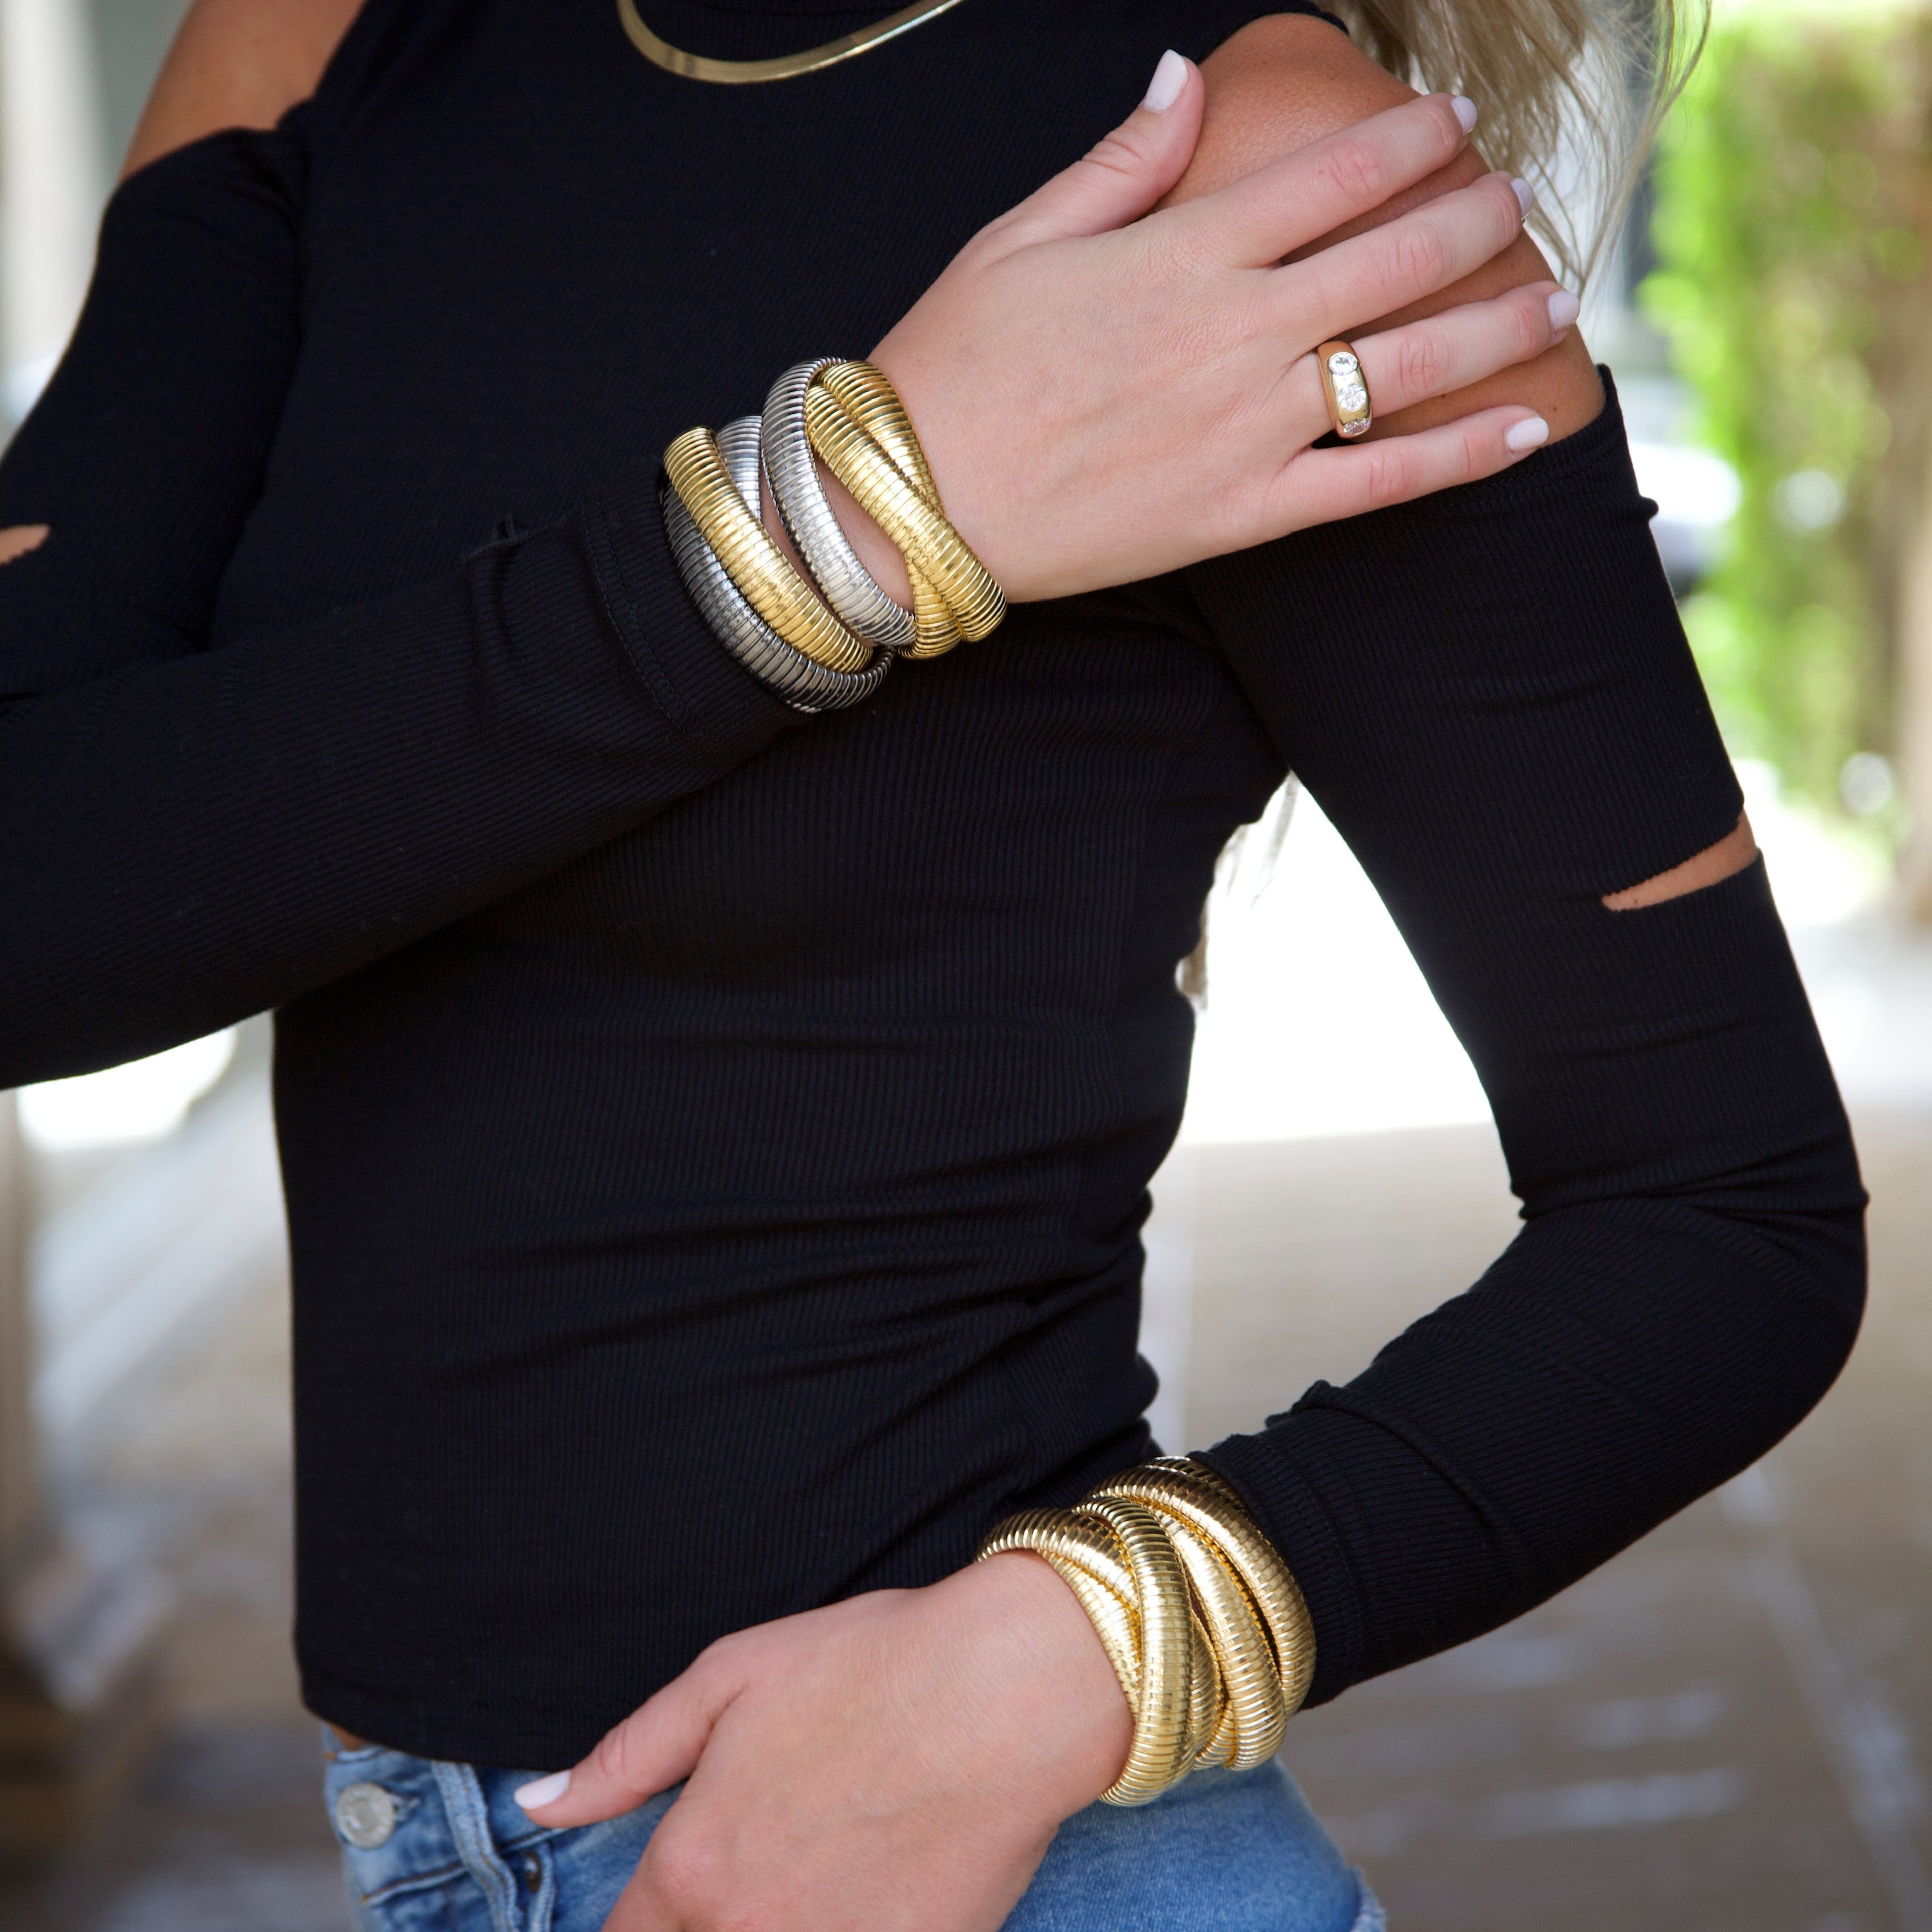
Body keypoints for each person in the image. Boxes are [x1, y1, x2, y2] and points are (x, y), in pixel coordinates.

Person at [0, 1, 1862, 1928]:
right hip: (444, 1849)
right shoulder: (318, 44)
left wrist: (1077, 1656)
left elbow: (1726, 1210)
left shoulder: (1252, 157)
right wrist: (837, 528)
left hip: (994, 1861)